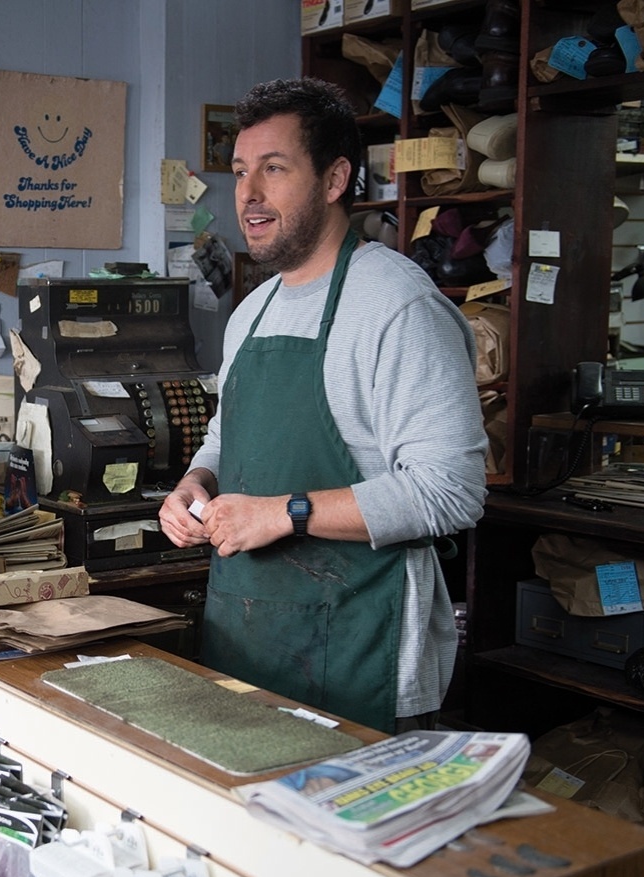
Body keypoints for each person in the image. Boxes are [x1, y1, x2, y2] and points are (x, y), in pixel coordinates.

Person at [159, 77, 488, 734]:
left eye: (273, 170)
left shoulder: (396, 306)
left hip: (361, 648)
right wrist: (197, 481)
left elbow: (451, 493)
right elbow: (226, 436)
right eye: (240, 172)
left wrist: (288, 513)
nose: (246, 195)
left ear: (335, 178)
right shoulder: (252, 312)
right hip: (249, 638)